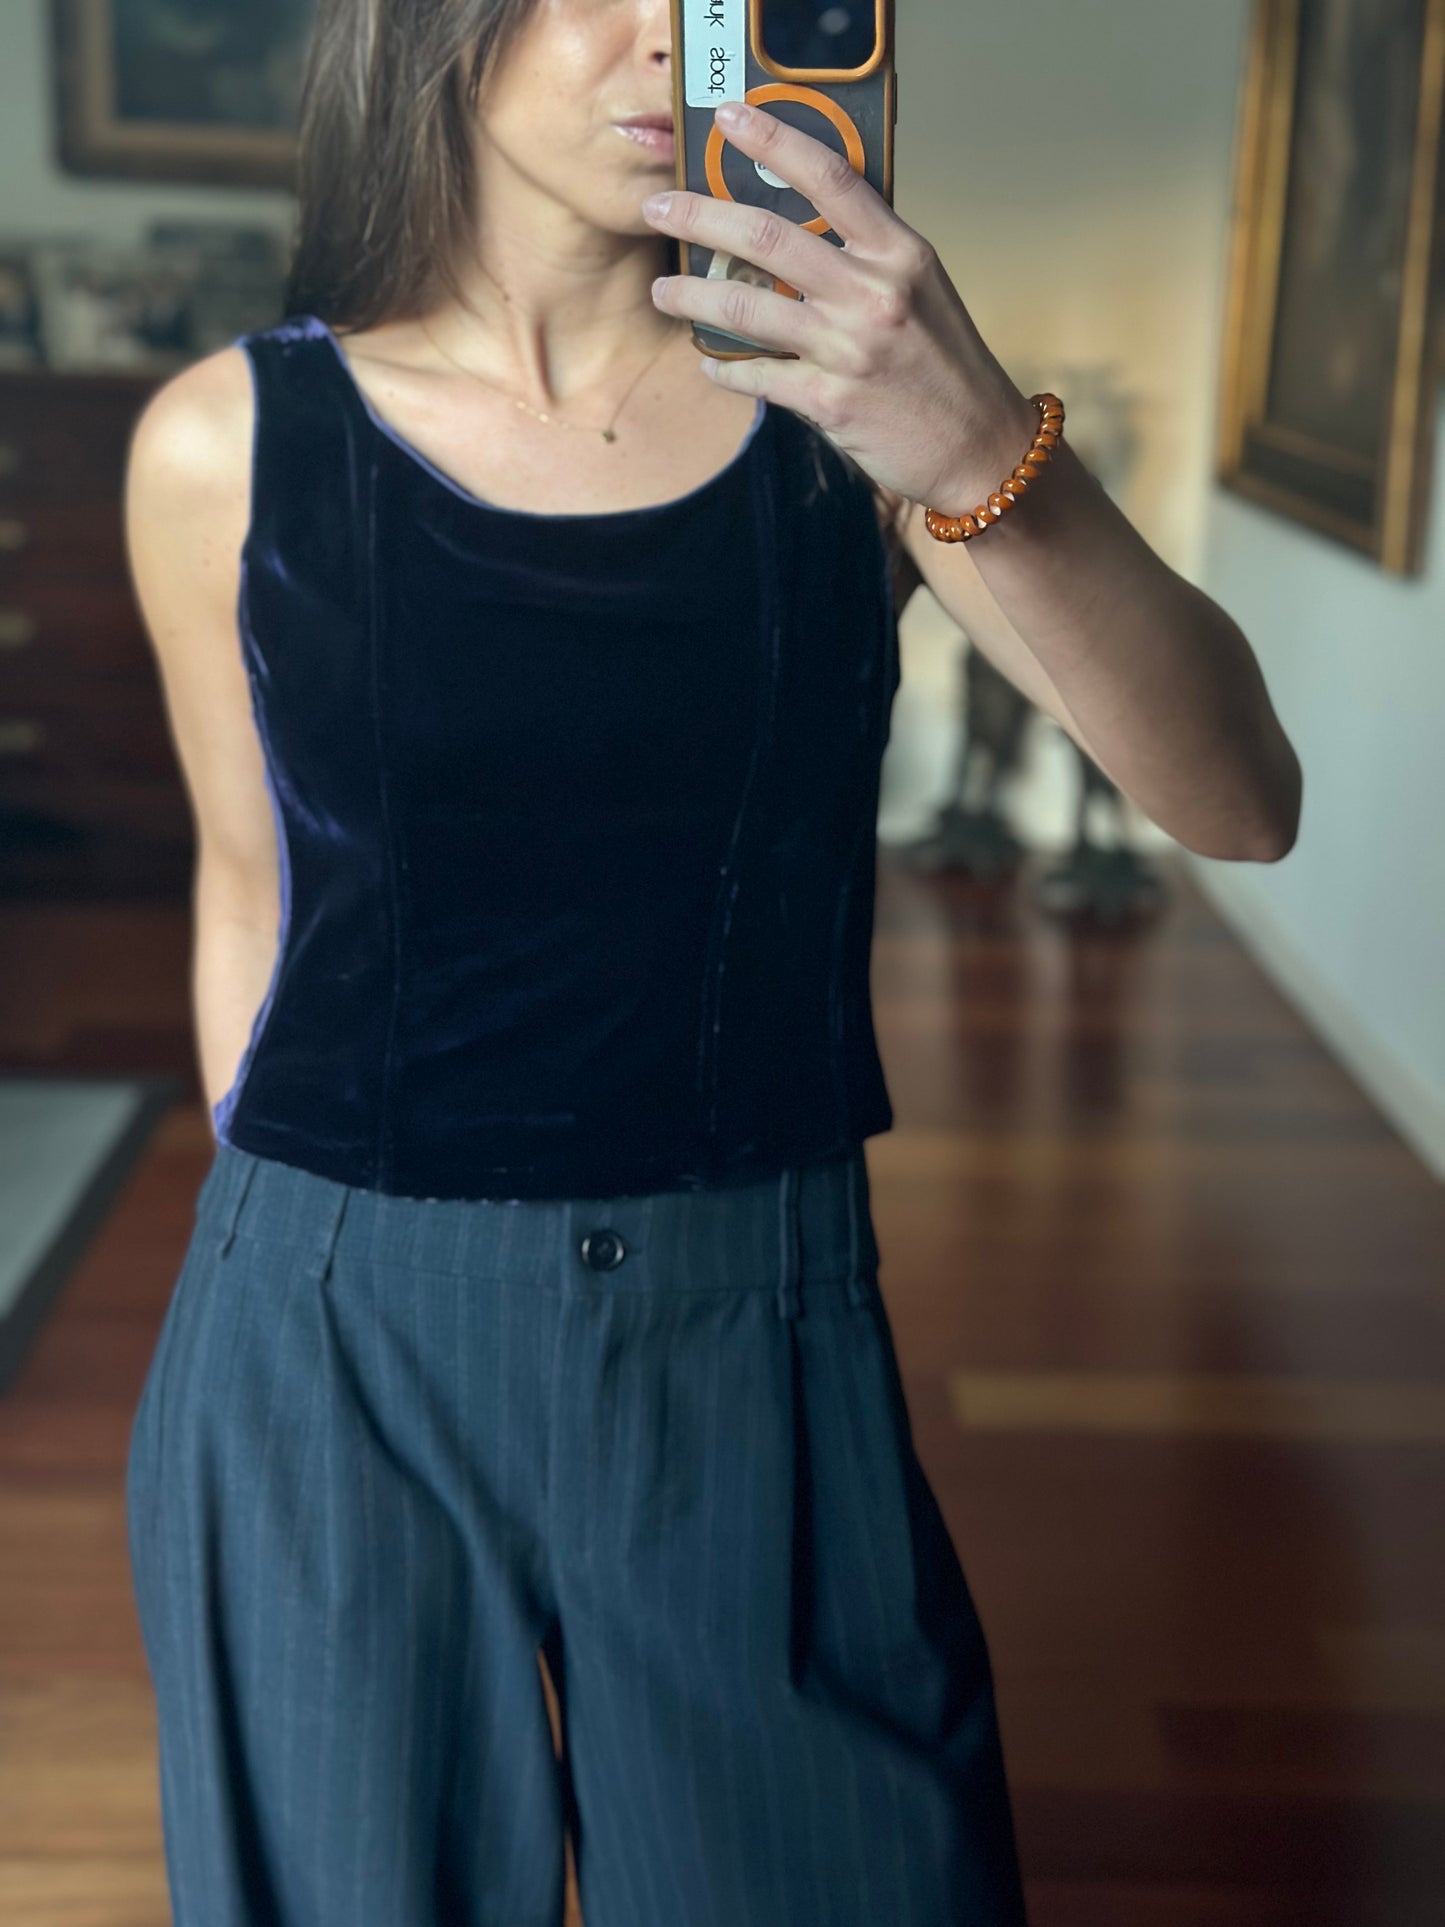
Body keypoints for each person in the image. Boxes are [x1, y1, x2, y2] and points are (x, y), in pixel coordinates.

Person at [121, 3, 1300, 1924]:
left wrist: (976, 442)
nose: (683, 42)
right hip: (326, 1338)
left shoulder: (854, 417)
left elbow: (1236, 801)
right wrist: (303, 1278)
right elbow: (252, 898)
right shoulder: (225, 442)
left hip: (751, 1325)